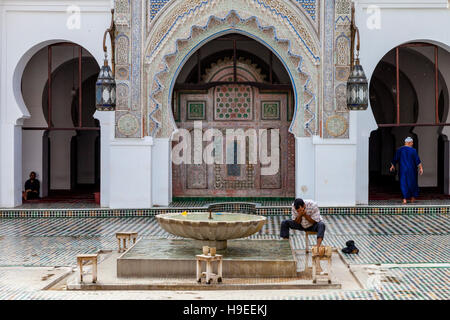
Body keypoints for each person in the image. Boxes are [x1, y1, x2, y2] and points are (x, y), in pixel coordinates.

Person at [390, 137, 423, 204]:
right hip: (412, 170)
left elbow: (395, 159)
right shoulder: (413, 150)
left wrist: (392, 165)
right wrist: (421, 168)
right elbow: (417, 161)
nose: (412, 143)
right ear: (409, 142)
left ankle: (404, 199)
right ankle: (412, 198)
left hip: (403, 170)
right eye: (412, 142)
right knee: (412, 183)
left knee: (403, 183)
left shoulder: (400, 150)